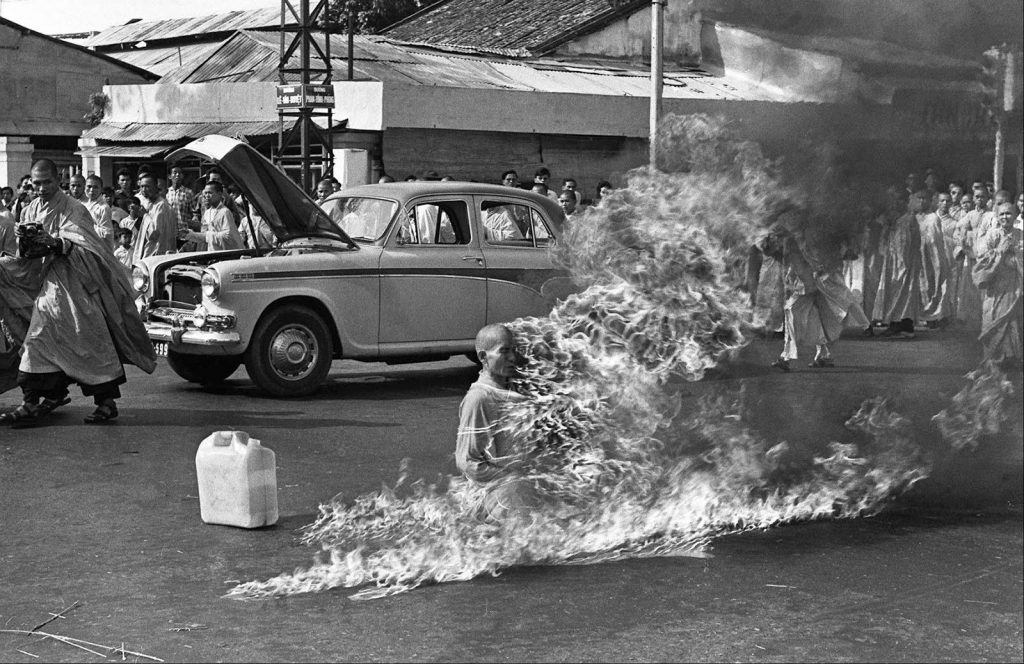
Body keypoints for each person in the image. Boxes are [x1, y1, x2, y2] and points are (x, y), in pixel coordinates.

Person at [0, 159, 156, 427]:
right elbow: (25, 256)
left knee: (89, 343)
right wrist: (24, 243)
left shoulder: (74, 208)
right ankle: (32, 402)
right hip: (47, 288)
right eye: (36, 183)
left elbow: (90, 249)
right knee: (37, 341)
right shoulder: (29, 210)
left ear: (57, 180)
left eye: (46, 182)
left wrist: (56, 243)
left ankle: (106, 403)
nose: (40, 188)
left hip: (76, 285)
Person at [456, 324, 537, 521]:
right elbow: (467, 461)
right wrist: (508, 480)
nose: (512, 358)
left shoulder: (510, 390)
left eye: (514, 350)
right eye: (504, 351)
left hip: (518, 493)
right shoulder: (480, 398)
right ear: (483, 357)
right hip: (500, 500)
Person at [769, 229, 869, 371]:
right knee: (816, 314)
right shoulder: (803, 233)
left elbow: (819, 257)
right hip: (812, 282)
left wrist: (821, 271)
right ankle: (823, 355)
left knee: (792, 310)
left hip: (813, 283)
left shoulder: (809, 234)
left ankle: (786, 357)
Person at [972, 202, 1022, 367]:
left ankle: (1010, 356)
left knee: (1012, 318)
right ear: (997, 216)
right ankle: (994, 356)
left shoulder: (1020, 234)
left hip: (1014, 284)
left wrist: (1014, 258)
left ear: (1015, 216)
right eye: (1001, 214)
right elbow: (983, 259)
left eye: (1008, 214)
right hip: (995, 284)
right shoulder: (992, 235)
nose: (1005, 217)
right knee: (993, 316)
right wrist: (1000, 252)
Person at [872, 189, 923, 338]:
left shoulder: (907, 220)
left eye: (898, 201)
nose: (895, 204)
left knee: (902, 292)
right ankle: (898, 323)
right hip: (893, 261)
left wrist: (902, 264)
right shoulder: (895, 220)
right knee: (893, 291)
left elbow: (908, 244)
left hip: (904, 263)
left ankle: (901, 324)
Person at [916, 191, 953, 328]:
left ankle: (939, 315)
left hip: (934, 256)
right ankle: (927, 316)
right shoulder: (915, 218)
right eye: (919, 198)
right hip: (920, 256)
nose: (922, 202)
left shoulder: (933, 218)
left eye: (924, 198)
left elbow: (937, 240)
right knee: (923, 285)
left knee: (936, 284)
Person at [180, 181, 243, 251]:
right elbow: (204, 237)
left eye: (210, 193)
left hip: (224, 254)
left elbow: (228, 237)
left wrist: (208, 235)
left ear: (219, 194)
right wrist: (189, 235)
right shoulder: (207, 213)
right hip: (211, 254)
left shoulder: (225, 212)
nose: (206, 196)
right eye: (205, 193)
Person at [131, 174, 176, 261]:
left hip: (156, 255)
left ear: (156, 187)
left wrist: (144, 216)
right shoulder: (149, 204)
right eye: (142, 186)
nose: (144, 190)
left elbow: (154, 234)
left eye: (147, 186)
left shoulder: (161, 206)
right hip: (148, 253)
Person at [165, 165, 196, 250]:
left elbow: (195, 212)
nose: (177, 175)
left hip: (184, 233)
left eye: (180, 173)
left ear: (182, 176)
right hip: (169, 233)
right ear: (170, 176)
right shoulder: (166, 193)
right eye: (175, 172)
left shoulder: (188, 192)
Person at [82, 175, 116, 251]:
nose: (91, 190)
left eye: (95, 187)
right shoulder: (84, 204)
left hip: (99, 248)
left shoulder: (103, 207)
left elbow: (106, 233)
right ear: (84, 187)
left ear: (101, 189)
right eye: (89, 186)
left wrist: (87, 225)